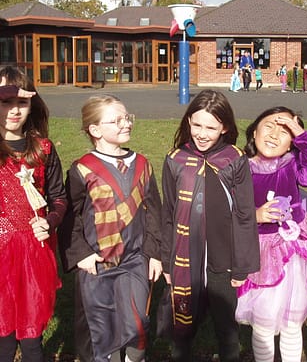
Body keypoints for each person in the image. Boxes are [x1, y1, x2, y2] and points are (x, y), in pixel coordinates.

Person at [58, 95, 162, 362]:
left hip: (135, 260)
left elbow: (154, 212)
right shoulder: (82, 168)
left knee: (137, 322)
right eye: (116, 120)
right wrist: (80, 253)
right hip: (97, 263)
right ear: (95, 130)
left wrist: (154, 253)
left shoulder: (143, 164)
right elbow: (70, 216)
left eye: (127, 117)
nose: (126, 123)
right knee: (101, 329)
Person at [161, 89, 260, 362]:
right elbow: (168, 212)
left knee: (226, 328)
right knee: (182, 328)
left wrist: (241, 265)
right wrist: (167, 261)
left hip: (222, 259)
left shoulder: (234, 159)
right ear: (188, 122)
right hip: (184, 257)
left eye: (211, 128)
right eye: (197, 125)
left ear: (224, 127)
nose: (202, 134)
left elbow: (244, 215)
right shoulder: (175, 159)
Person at [235, 106, 307, 362]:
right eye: (269, 126)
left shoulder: (291, 163)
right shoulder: (240, 168)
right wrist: (255, 215)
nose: (274, 134)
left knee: (292, 324)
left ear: (291, 143)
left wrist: (302, 137)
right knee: (263, 324)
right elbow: (227, 209)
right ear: (254, 132)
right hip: (259, 252)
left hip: (292, 253)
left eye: (284, 132)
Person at [0, 67, 67, 362]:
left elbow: (59, 198)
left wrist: (49, 221)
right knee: (3, 340)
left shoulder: (43, 149)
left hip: (33, 254)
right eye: (6, 101)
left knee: (31, 341)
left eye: (22, 102)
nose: (14, 110)